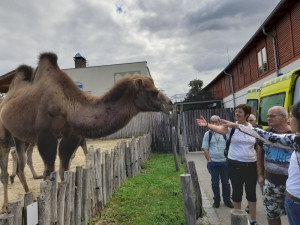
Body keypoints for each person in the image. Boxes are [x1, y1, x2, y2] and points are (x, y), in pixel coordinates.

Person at [220, 101, 300, 225]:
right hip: (279, 187)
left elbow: (261, 134)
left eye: (292, 117)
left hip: (295, 197)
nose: (290, 120)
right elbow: (263, 135)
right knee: (272, 215)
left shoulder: (293, 139)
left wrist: (237, 126)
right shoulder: (295, 140)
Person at [196, 104, 259, 225]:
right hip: (234, 163)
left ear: (246, 114)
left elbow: (257, 146)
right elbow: (220, 130)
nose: (237, 114)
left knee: (251, 192)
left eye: (240, 112)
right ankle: (238, 220)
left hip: (251, 164)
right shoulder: (231, 127)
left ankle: (253, 220)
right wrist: (207, 125)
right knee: (237, 192)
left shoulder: (253, 128)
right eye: (236, 111)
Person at [256, 106, 292, 225]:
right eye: (268, 116)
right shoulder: (265, 134)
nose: (268, 118)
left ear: (283, 117)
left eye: (272, 116)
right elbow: (259, 156)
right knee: (271, 214)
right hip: (271, 183)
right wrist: (260, 176)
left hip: (293, 185)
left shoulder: (294, 134)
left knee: (295, 215)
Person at [201, 115, 233, 209]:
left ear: (219, 122)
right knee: (215, 183)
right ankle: (216, 201)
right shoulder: (208, 134)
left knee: (226, 182)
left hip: (225, 162)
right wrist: (209, 161)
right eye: (213, 122)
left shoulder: (225, 133)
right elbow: (205, 148)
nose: (215, 123)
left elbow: (231, 145)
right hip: (213, 163)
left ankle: (227, 200)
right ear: (210, 123)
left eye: (216, 122)